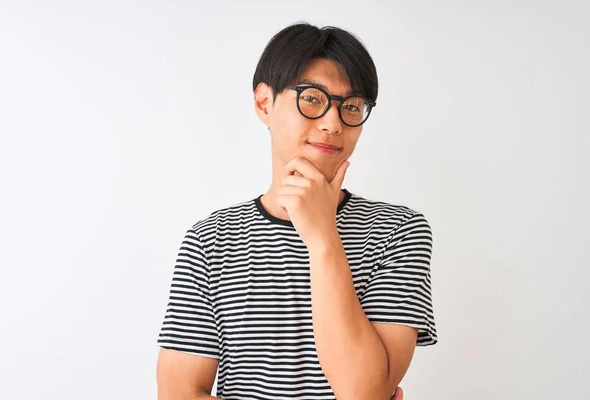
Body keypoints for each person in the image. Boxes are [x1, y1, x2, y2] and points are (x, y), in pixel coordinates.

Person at [156, 22, 438, 400]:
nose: (333, 123)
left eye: (351, 106)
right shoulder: (211, 239)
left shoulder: (398, 231)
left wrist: (322, 237)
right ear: (264, 103)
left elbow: (362, 394)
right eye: (311, 98)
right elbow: (178, 394)